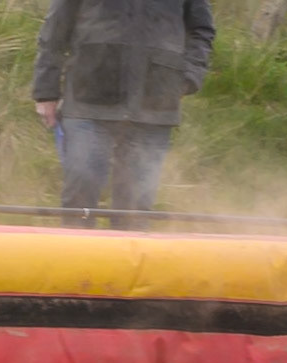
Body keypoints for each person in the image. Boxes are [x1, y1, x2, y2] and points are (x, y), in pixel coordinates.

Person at [33, 0, 216, 228]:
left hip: (155, 106)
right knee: (79, 196)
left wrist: (188, 77)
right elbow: (55, 28)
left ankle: (128, 262)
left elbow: (201, 31)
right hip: (88, 98)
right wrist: (45, 91)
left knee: (136, 208)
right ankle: (77, 261)